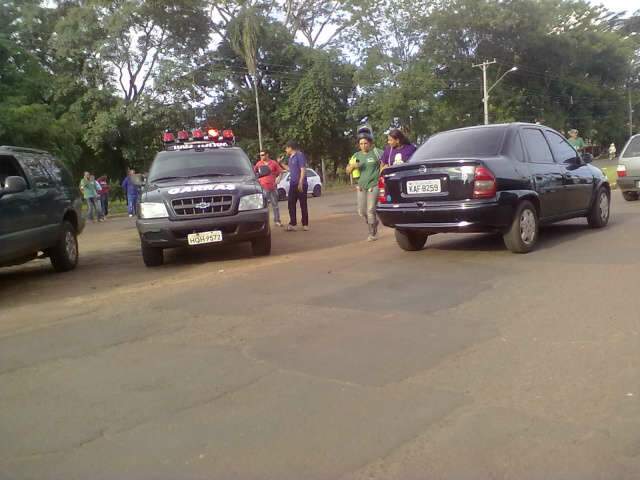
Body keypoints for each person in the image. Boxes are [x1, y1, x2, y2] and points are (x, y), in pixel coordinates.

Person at [346, 135, 382, 241]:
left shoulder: (376, 152)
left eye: (365, 143)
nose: (363, 145)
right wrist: (352, 166)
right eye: (361, 144)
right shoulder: (356, 155)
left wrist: (381, 176)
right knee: (362, 211)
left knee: (370, 209)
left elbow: (384, 163)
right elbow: (347, 170)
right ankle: (374, 222)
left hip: (374, 185)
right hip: (361, 187)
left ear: (370, 143)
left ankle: (372, 233)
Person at [284, 140, 309, 231]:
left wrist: (300, 182)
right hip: (293, 184)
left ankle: (305, 224)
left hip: (301, 184)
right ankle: (293, 223)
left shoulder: (299, 155)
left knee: (303, 204)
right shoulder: (291, 157)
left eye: (286, 148)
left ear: (290, 148)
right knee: (291, 204)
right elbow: (290, 169)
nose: (286, 150)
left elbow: (303, 169)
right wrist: (280, 163)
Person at [255, 150, 283, 226]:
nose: (261, 156)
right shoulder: (258, 164)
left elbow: (280, 171)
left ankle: (277, 220)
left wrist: (279, 179)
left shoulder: (273, 163)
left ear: (267, 155)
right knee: (262, 206)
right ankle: (262, 223)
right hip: (263, 188)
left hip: (272, 187)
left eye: (263, 155)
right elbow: (254, 173)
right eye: (260, 155)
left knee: (275, 205)